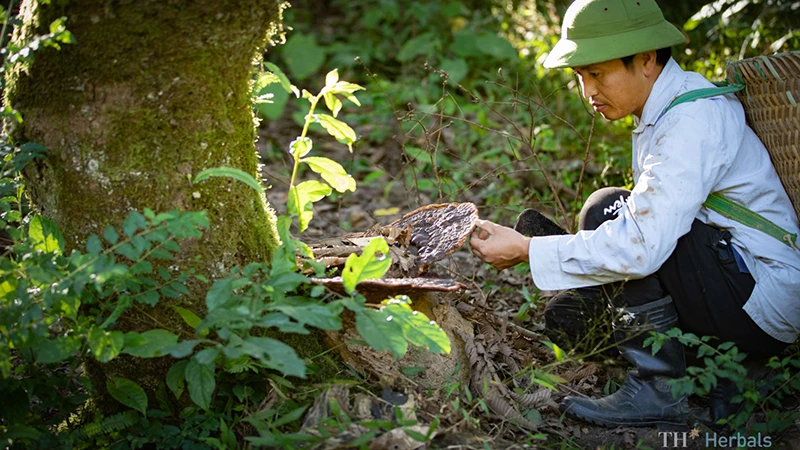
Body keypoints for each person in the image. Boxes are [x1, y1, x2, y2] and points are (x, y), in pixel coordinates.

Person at [469, 0, 800, 428]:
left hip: (761, 302)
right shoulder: (663, 110)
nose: (588, 91)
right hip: (734, 285)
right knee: (610, 214)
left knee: (608, 209)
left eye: (598, 74)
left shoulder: (692, 119)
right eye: (581, 77)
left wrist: (530, 250)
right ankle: (716, 373)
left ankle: (660, 389)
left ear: (645, 60)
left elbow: (642, 245)